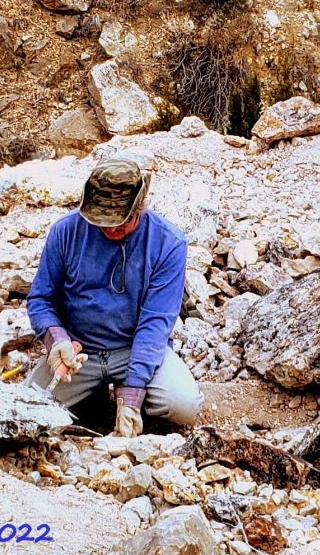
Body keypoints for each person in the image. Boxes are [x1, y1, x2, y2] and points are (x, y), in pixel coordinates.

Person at [25, 157, 203, 437]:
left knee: (183, 404)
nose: (110, 229)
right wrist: (56, 339)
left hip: (134, 348)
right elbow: (41, 299)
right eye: (101, 221)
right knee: (28, 414)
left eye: (121, 221)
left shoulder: (168, 243)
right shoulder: (65, 232)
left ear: (140, 207)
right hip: (78, 353)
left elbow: (155, 324)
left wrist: (133, 391)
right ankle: (92, 398)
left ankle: (126, 396)